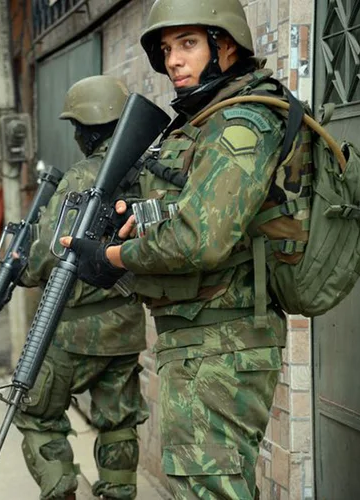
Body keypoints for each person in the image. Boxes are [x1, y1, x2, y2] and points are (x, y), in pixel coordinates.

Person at [63, 0, 295, 497]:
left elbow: (200, 239)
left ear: (226, 45)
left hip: (223, 344)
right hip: (199, 340)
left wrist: (112, 260)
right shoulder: (203, 122)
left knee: (212, 488)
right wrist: (126, 233)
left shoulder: (242, 124)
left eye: (188, 44)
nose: (173, 61)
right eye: (167, 49)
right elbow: (180, 218)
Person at [15, 75, 149, 500]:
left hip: (70, 331)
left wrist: (23, 267)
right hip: (125, 328)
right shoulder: (147, 175)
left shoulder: (78, 179)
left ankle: (63, 493)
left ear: (84, 131)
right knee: (119, 422)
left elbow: (47, 254)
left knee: (37, 415)